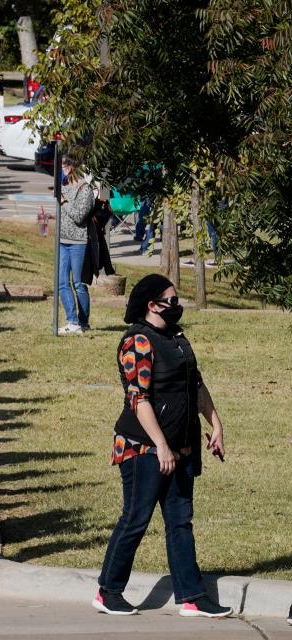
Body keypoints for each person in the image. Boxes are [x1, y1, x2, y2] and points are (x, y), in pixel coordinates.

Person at [94, 274, 232, 619]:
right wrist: (160, 445)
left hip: (181, 446)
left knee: (180, 521)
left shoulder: (177, 338)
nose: (177, 305)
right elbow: (138, 398)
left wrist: (214, 424)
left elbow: (195, 384)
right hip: (142, 448)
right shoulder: (138, 342)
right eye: (171, 300)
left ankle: (192, 597)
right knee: (136, 518)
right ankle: (107, 591)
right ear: (152, 305)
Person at [57, 155, 94, 334]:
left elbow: (79, 216)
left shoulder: (84, 189)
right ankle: (72, 321)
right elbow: (63, 213)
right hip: (61, 241)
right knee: (62, 282)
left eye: (64, 166)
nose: (61, 169)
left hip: (78, 242)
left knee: (78, 283)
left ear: (72, 167)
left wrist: (63, 202)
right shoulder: (62, 186)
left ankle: (83, 322)